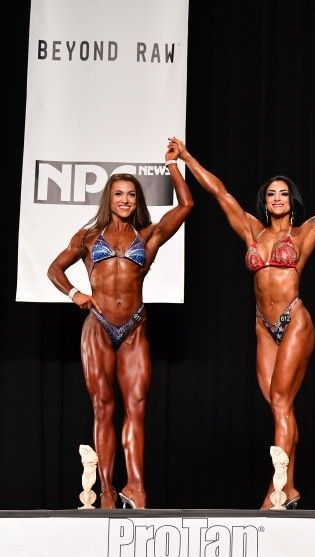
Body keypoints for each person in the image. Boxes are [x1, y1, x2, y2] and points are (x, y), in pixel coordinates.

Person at [171, 134, 315, 509]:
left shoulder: (306, 232)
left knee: (280, 401)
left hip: (294, 321)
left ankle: (274, 491)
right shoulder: (251, 230)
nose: (277, 198)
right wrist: (186, 157)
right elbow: (219, 193)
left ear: (292, 201)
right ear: (265, 201)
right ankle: (289, 488)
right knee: (280, 408)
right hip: (263, 325)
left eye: (283, 194)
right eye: (272, 194)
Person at [48, 139, 194, 509]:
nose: (125, 200)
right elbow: (54, 269)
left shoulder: (148, 236)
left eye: (131, 195)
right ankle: (107, 492)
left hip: (134, 326)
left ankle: (136, 488)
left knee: (137, 406)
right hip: (98, 326)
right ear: (109, 199)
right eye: (118, 194)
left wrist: (173, 165)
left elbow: (186, 205)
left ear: (137, 200)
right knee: (103, 408)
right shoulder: (87, 238)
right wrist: (75, 294)